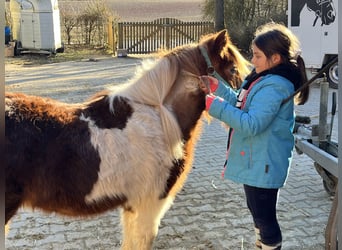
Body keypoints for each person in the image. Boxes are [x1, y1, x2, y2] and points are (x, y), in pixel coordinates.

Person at [199, 22, 310, 250]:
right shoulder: (262, 77)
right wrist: (217, 88)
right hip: (257, 160)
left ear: (275, 58)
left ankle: (269, 245)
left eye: (258, 56)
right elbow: (242, 104)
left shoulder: (275, 86)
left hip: (264, 162)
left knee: (265, 218)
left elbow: (251, 124)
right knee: (258, 214)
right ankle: (262, 244)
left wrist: (213, 105)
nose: (252, 60)